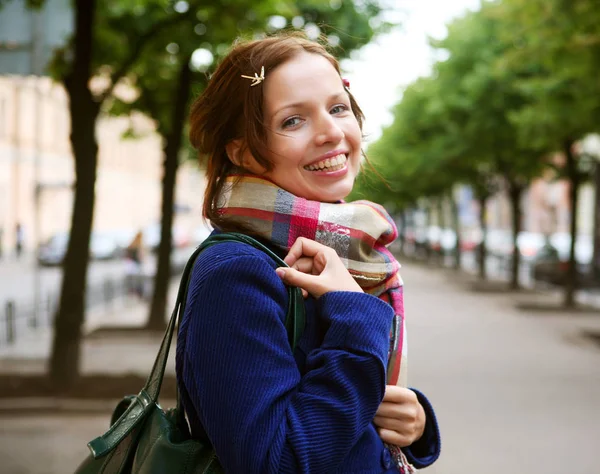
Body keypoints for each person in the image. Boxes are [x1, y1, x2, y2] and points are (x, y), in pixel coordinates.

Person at [176, 32, 441, 473]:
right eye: (292, 121)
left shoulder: (342, 248)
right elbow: (275, 462)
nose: (331, 132)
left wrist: (413, 422)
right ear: (241, 152)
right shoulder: (238, 272)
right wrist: (354, 315)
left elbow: (339, 409)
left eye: (338, 108)